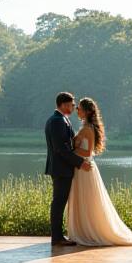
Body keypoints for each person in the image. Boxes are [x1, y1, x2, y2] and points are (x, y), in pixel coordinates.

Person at [66, 97, 132, 246]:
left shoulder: (87, 129)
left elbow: (88, 152)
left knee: (87, 202)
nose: (77, 110)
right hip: (82, 169)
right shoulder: (87, 126)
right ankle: (82, 230)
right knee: (85, 201)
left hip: (85, 169)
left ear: (87, 111)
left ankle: (88, 231)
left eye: (79, 108)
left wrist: (72, 150)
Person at [44, 92, 91, 246]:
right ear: (63, 105)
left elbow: (66, 145)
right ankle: (56, 238)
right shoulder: (57, 121)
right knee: (58, 202)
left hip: (62, 168)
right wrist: (79, 162)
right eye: (71, 104)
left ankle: (58, 236)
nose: (73, 107)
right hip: (60, 168)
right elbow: (61, 149)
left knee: (60, 201)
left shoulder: (61, 119)